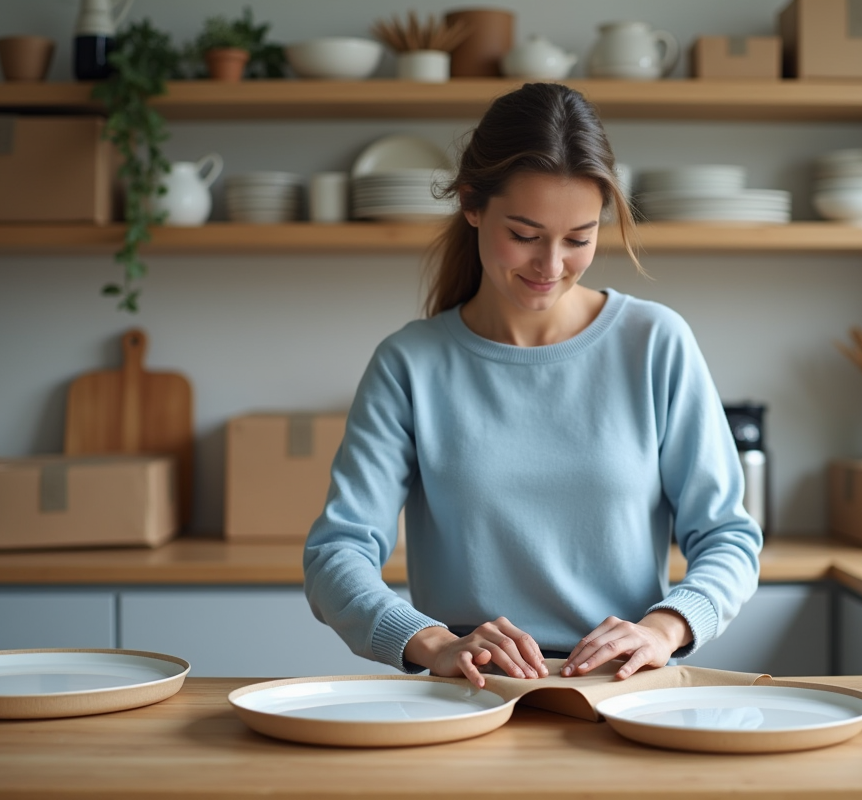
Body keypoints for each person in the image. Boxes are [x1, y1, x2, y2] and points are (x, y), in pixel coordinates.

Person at [303, 82, 762, 689]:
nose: (551, 267)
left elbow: (728, 536)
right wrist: (431, 641)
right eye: (524, 235)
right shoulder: (409, 364)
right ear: (472, 203)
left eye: (579, 239)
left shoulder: (656, 343)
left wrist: (665, 627)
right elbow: (336, 555)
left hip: (621, 693)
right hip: (471, 692)